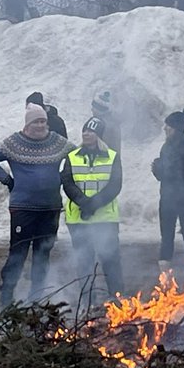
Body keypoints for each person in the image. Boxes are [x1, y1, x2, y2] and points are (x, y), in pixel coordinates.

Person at [0, 103, 75, 309]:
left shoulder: (57, 142)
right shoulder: (14, 142)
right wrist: (6, 180)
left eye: (43, 121)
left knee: (43, 253)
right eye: (36, 121)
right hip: (23, 208)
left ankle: (37, 298)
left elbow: (76, 156)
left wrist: (64, 176)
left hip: (50, 208)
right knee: (19, 251)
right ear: (28, 125)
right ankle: (7, 298)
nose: (41, 125)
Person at [61, 117, 124, 299]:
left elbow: (115, 185)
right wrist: (84, 203)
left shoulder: (112, 157)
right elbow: (67, 181)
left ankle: (117, 298)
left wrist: (94, 204)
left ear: (99, 135)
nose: (86, 134)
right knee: (84, 263)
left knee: (111, 261)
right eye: (85, 131)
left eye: (91, 131)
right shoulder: (72, 156)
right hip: (79, 219)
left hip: (105, 219)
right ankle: (88, 301)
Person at [150, 108, 184, 270]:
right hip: (167, 198)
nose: (165, 129)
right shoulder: (166, 147)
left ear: (177, 129)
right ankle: (165, 281)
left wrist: (166, 171)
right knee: (166, 238)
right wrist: (158, 169)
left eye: (168, 126)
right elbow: (164, 175)